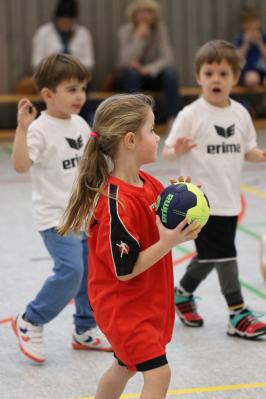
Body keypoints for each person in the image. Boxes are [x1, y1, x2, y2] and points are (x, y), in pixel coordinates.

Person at [58, 93, 201, 398]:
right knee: (159, 374)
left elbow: (164, 224)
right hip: (124, 308)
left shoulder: (149, 183)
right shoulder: (114, 204)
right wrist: (169, 242)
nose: (158, 134)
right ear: (131, 141)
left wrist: (185, 204)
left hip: (148, 302)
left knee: (125, 367)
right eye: (151, 129)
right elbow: (125, 270)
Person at [11, 53, 111, 364]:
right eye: (71, 89)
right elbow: (20, 164)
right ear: (48, 95)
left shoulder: (81, 123)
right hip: (55, 218)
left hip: (84, 216)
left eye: (82, 88)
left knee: (88, 274)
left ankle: (84, 328)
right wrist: (22, 130)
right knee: (71, 271)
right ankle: (31, 320)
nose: (80, 95)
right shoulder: (39, 130)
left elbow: (91, 163)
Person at [162, 39, 266, 340]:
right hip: (198, 202)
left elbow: (247, 150)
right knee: (225, 254)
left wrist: (258, 156)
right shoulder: (191, 114)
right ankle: (238, 313)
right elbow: (168, 152)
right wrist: (177, 148)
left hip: (229, 200)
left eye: (222, 73)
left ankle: (181, 295)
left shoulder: (241, 114)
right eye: (209, 73)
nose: (215, 79)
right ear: (198, 77)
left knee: (210, 256)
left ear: (235, 77)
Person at [117, 0, 180, 125]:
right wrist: (138, 37)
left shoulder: (160, 29)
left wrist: (148, 69)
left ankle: (173, 119)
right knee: (130, 74)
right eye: (140, 12)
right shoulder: (125, 30)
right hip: (134, 78)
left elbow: (167, 58)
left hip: (154, 75)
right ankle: (136, 119)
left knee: (171, 73)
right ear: (134, 15)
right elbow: (124, 60)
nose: (144, 15)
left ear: (154, 15)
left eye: (148, 12)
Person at [31, 0, 94, 71]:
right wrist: (55, 65)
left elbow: (89, 62)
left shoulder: (83, 34)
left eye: (69, 22)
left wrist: (71, 65)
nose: (66, 25)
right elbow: (36, 62)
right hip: (50, 77)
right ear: (56, 18)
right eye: (63, 22)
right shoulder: (43, 32)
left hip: (76, 76)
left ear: (74, 20)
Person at [234, 6, 266, 87]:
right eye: (248, 23)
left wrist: (260, 42)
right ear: (243, 25)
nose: (252, 25)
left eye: (254, 22)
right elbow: (237, 59)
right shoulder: (240, 39)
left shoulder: (264, 37)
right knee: (252, 79)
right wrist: (246, 43)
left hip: (263, 69)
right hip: (248, 70)